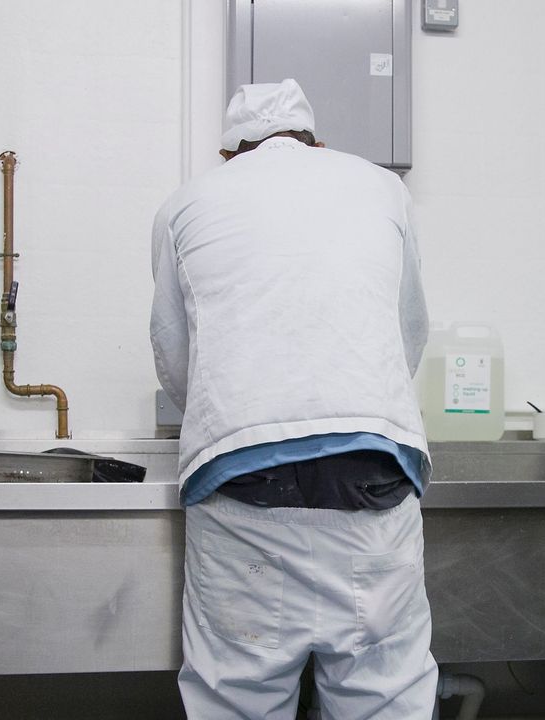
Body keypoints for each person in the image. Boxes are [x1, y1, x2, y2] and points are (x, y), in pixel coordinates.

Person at [150, 78, 437, 720]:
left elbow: (175, 357)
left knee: (236, 698)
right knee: (383, 697)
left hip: (241, 478)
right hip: (374, 471)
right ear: (316, 141)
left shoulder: (186, 202)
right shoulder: (382, 187)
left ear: (231, 153)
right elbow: (407, 330)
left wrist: (225, 409)